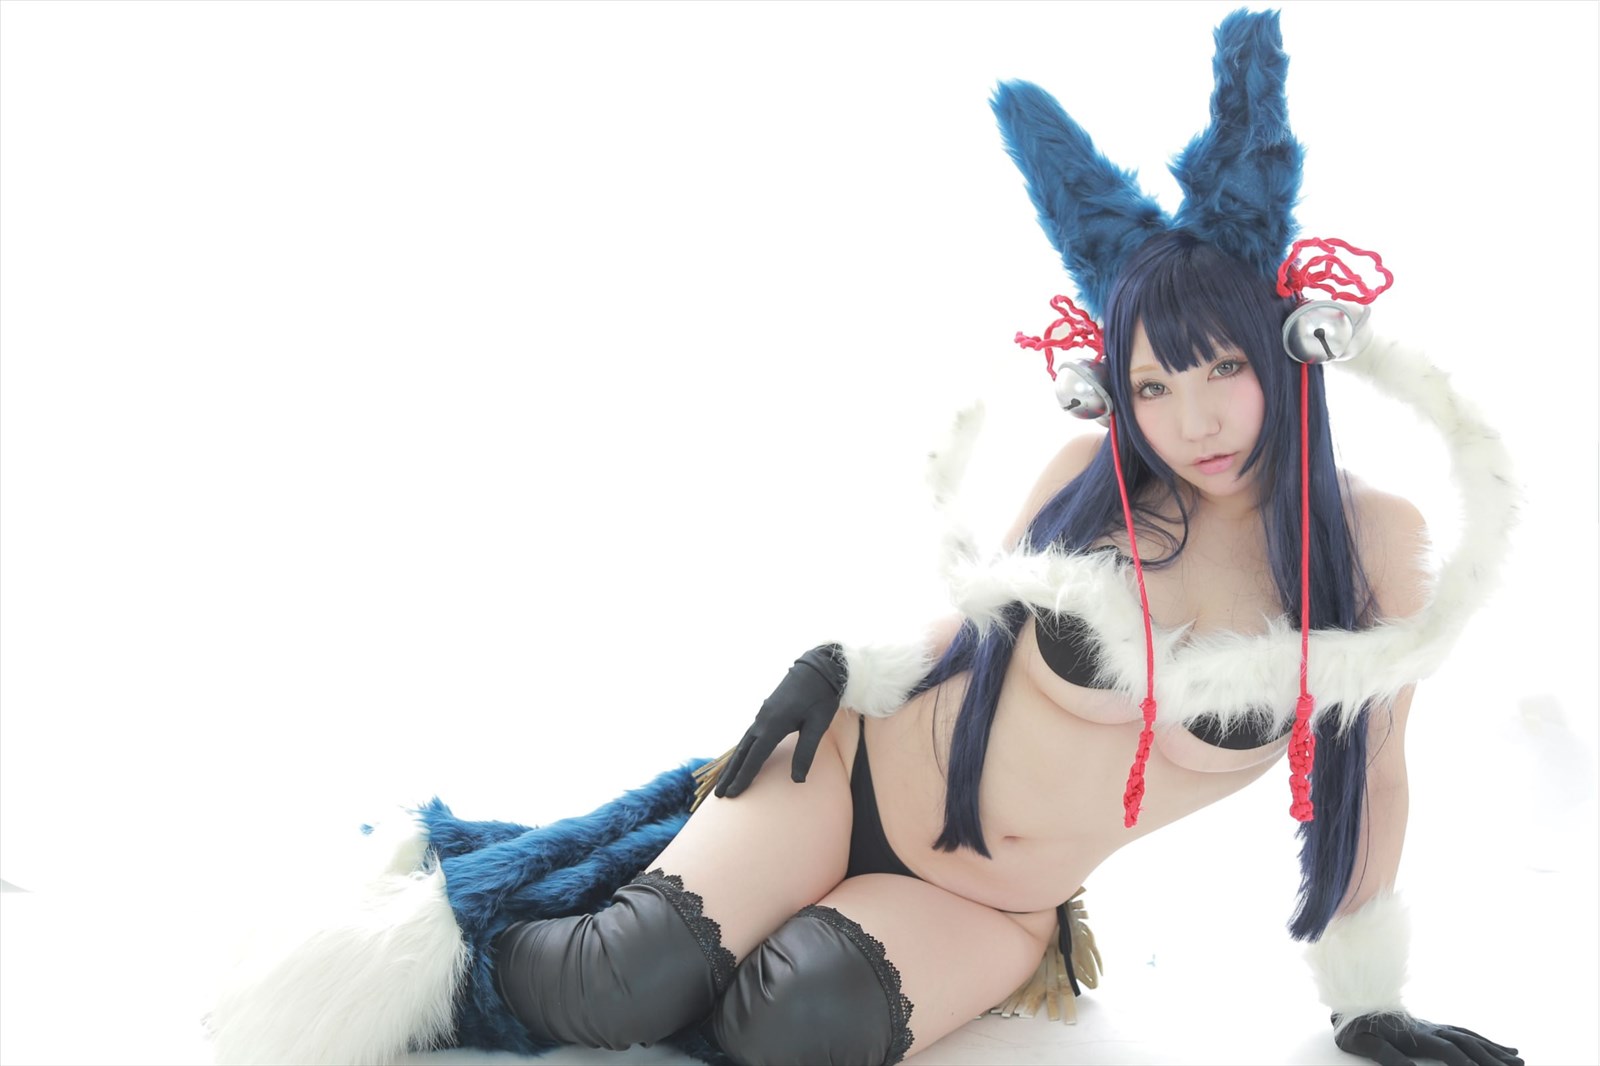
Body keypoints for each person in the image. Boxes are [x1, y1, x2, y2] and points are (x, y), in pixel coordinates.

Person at [208, 11, 1523, 1066]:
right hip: (848, 771)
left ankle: (718, 926)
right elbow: (977, 633)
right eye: (1153, 384)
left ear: (1290, 346)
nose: (1193, 419)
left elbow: (1376, 777)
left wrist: (1367, 997)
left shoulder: (1371, 552)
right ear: (1112, 389)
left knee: (792, 1027)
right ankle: (459, 922)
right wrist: (846, 663)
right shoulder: (1091, 479)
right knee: (616, 980)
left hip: (991, 905)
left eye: (1223, 366)